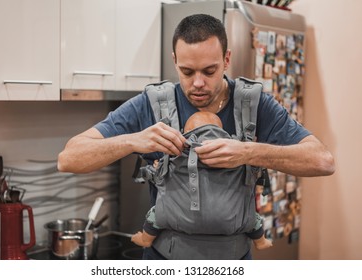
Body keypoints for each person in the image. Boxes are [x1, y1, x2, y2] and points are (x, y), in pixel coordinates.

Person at [57, 14, 335, 260]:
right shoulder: (151, 104)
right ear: (175, 61)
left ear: (227, 60)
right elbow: (68, 159)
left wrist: (247, 152)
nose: (198, 83)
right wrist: (133, 140)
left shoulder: (255, 105)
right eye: (187, 72)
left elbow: (322, 161)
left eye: (209, 71)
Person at [131, 111, 273, 250]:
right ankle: (260, 242)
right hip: (231, 219)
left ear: (186, 132)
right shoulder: (234, 152)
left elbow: (159, 174)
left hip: (176, 217)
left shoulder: (176, 153)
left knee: (157, 214)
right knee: (252, 218)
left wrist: (157, 166)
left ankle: (146, 239)